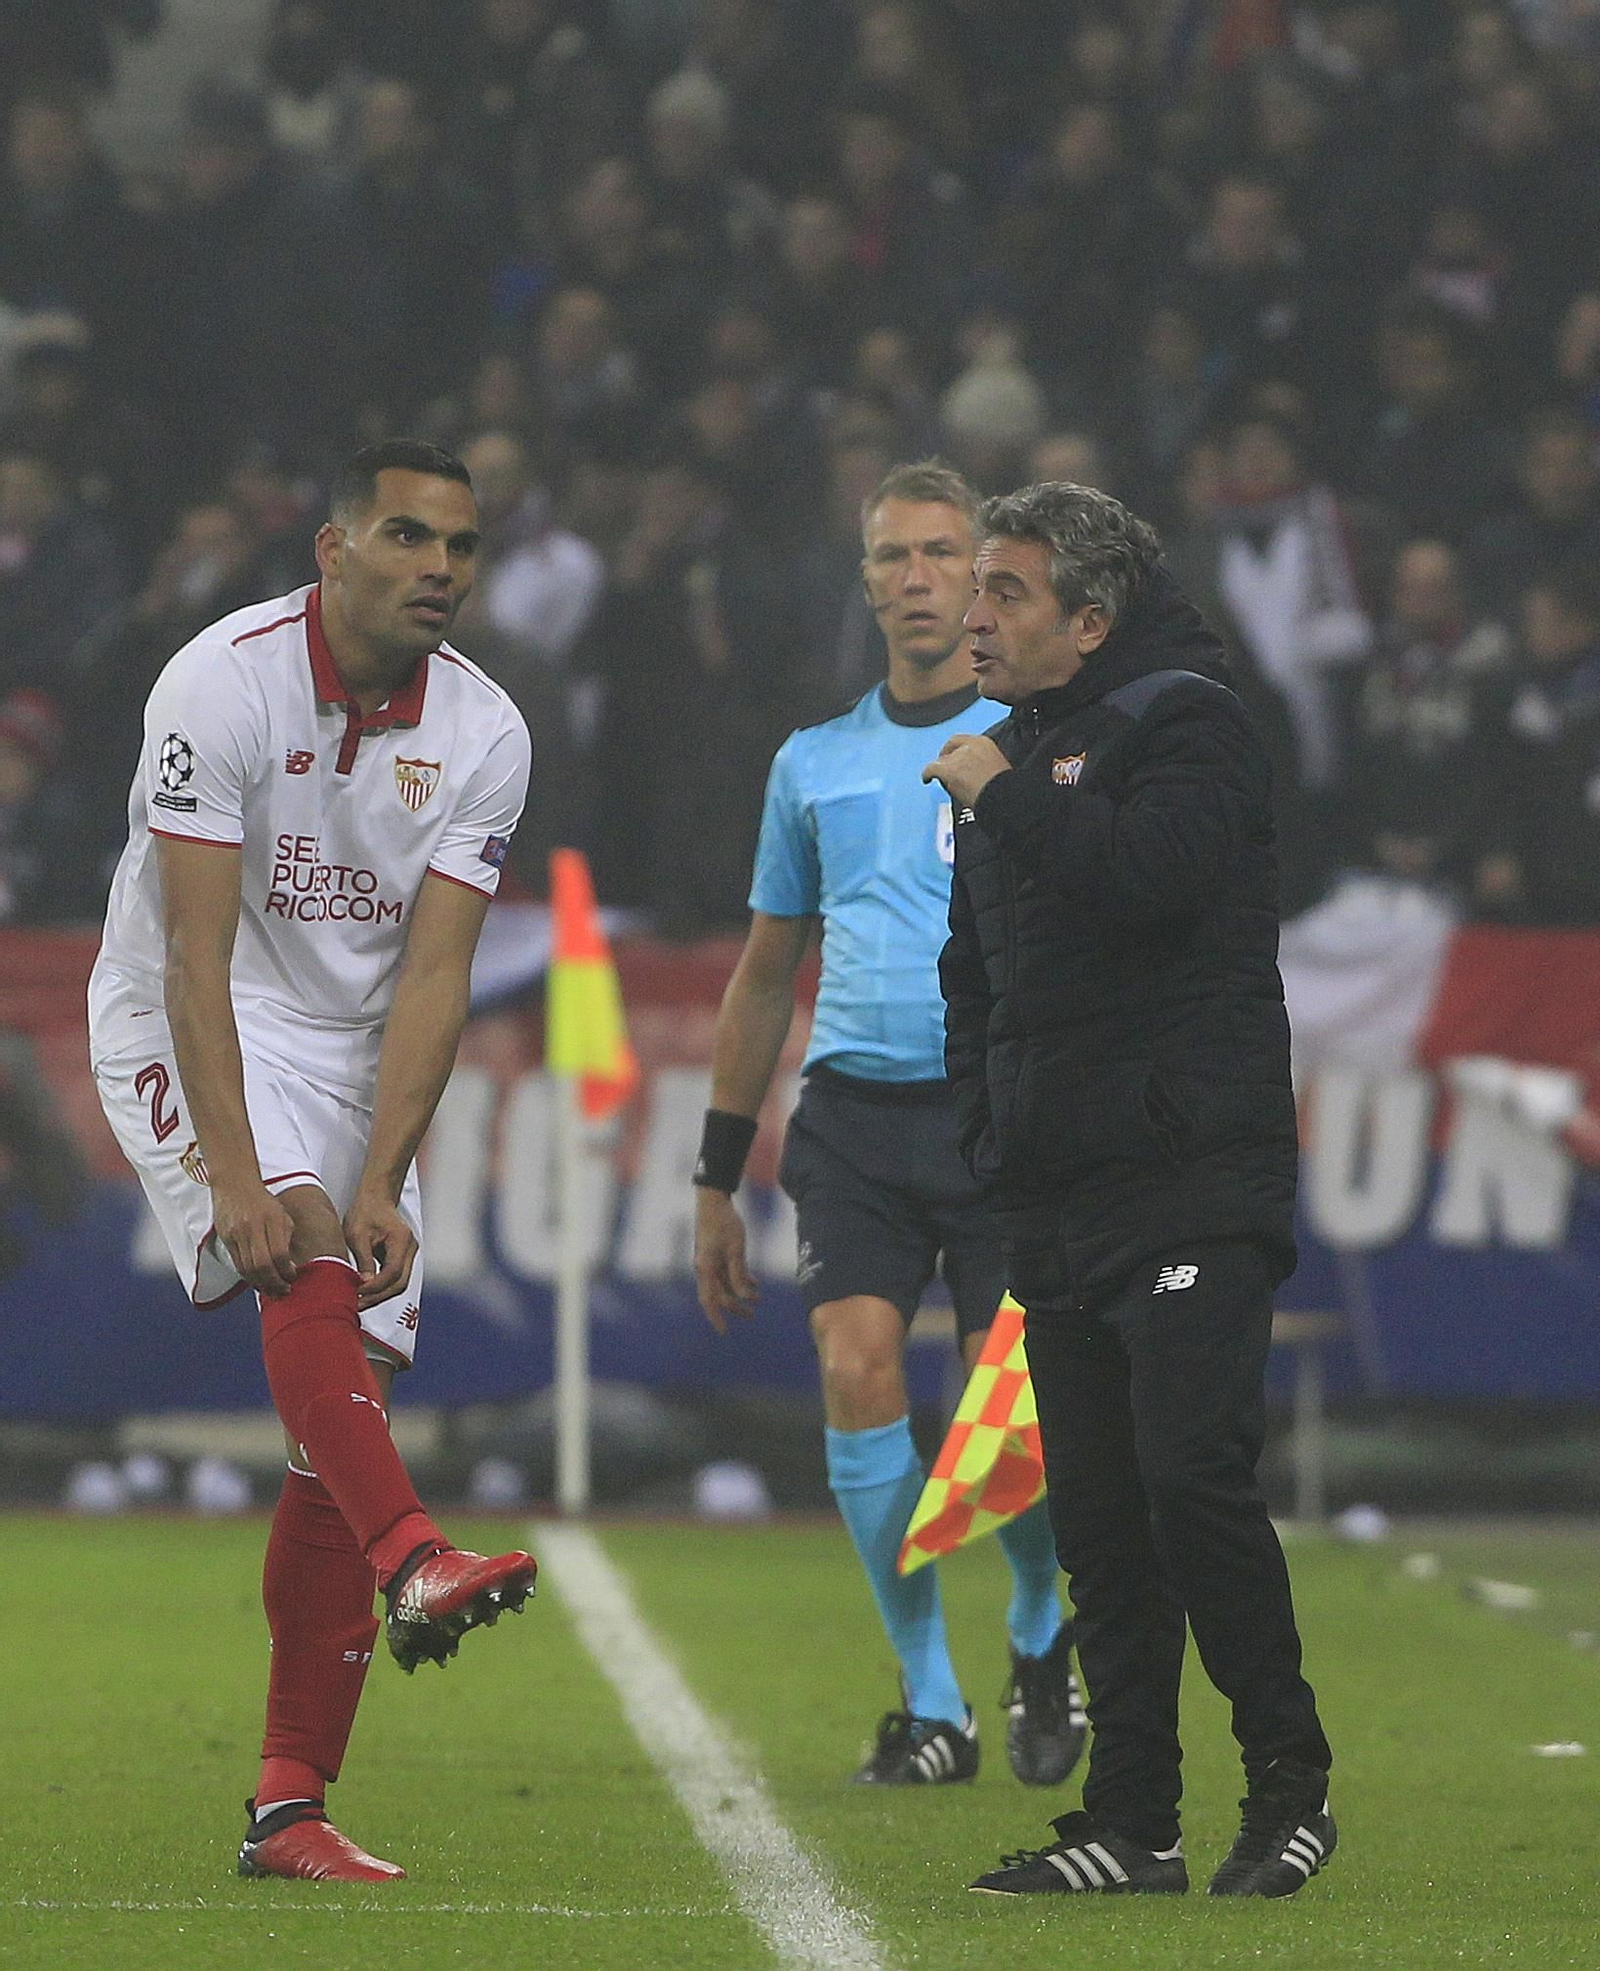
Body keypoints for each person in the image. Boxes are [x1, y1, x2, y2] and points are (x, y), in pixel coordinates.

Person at [87, 440, 538, 1884]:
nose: (439, 569)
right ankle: (414, 1555)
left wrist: (385, 1171)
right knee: (298, 1248)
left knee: (337, 1419)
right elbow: (194, 957)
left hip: (352, 1050)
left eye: (460, 547)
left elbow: (436, 977)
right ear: (332, 549)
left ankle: (289, 1807)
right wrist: (242, 1175)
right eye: (407, 537)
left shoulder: (487, 732)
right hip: (189, 1009)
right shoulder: (217, 684)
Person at [924, 481, 1335, 1897]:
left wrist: (1000, 791)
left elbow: (1146, 882)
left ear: (1090, 622)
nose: (974, 616)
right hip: (1059, 1189)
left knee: (1189, 1480)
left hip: (1189, 1173)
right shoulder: (1019, 757)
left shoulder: (1188, 721)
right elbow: (975, 980)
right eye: (976, 587)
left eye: (1007, 592)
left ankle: (1290, 1790)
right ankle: (1132, 1825)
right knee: (1098, 1516)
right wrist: (992, 1134)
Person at [693, 459, 1084, 1789]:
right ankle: (932, 1703)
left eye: (940, 553)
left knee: (1005, 1416)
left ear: (982, 578)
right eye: (891, 557)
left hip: (1001, 1115)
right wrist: (713, 1177)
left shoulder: (1041, 742)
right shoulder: (814, 763)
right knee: (858, 1372)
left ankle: (1037, 1625)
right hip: (855, 1119)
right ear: (864, 582)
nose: (916, 578)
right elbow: (764, 976)